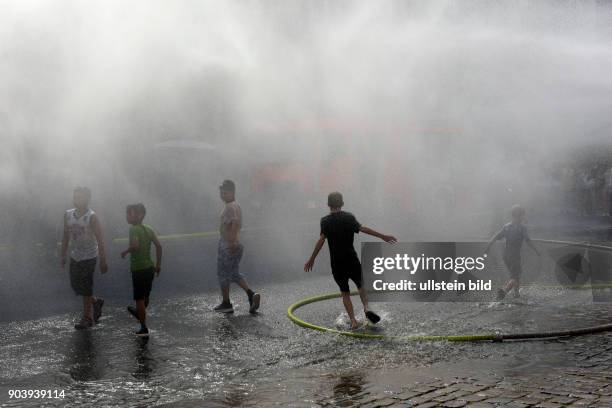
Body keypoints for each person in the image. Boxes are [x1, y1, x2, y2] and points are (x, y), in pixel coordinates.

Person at [304, 191, 397, 330]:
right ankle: (366, 308)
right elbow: (363, 229)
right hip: (351, 259)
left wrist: (311, 259)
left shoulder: (325, 221)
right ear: (342, 203)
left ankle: (353, 321)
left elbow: (321, 240)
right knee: (361, 285)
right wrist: (382, 236)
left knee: (345, 292)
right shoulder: (348, 217)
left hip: (336, 263)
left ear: (328, 205)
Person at [60, 186, 108, 330]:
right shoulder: (67, 215)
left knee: (86, 287)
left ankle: (87, 318)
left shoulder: (92, 217)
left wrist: (103, 260)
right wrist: (63, 255)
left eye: (81, 197)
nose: (77, 199)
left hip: (90, 255)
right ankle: (95, 302)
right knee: (76, 286)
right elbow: (65, 235)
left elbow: (100, 239)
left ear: (88, 199)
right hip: (75, 255)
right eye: (76, 197)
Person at [213, 180, 261, 314]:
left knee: (223, 274)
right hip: (233, 243)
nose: (222, 194)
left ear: (232, 192)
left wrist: (232, 241)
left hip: (228, 244)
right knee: (232, 272)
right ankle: (248, 296)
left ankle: (229, 302)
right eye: (221, 192)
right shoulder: (235, 205)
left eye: (225, 192)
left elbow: (234, 223)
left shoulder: (230, 207)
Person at [121, 203, 162, 337]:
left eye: (130, 213)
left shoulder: (133, 229)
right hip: (150, 268)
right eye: (127, 213)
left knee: (139, 298)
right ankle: (140, 312)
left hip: (138, 269)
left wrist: (126, 251)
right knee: (145, 297)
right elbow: (159, 246)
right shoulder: (149, 228)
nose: (127, 216)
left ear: (140, 215)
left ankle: (143, 327)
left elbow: (136, 246)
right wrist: (158, 265)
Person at [485, 204, 540, 300]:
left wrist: (488, 248)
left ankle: (516, 294)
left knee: (515, 275)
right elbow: (528, 241)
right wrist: (536, 251)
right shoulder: (522, 228)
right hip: (515, 256)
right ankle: (504, 292)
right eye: (523, 215)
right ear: (519, 215)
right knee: (515, 276)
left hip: (506, 256)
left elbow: (495, 237)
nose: (524, 217)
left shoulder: (506, 226)